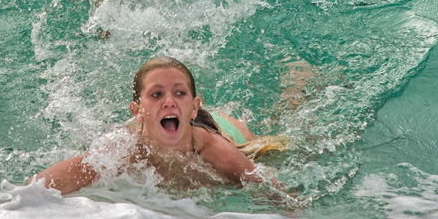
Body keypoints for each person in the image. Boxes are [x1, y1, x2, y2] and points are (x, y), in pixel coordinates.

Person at [31, 57, 288, 195]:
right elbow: (41, 186)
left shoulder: (212, 148)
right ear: (137, 111)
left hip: (226, 129)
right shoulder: (125, 148)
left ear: (194, 106)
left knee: (279, 145)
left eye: (179, 93)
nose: (169, 102)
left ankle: (295, 83)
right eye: (156, 95)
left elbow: (276, 194)